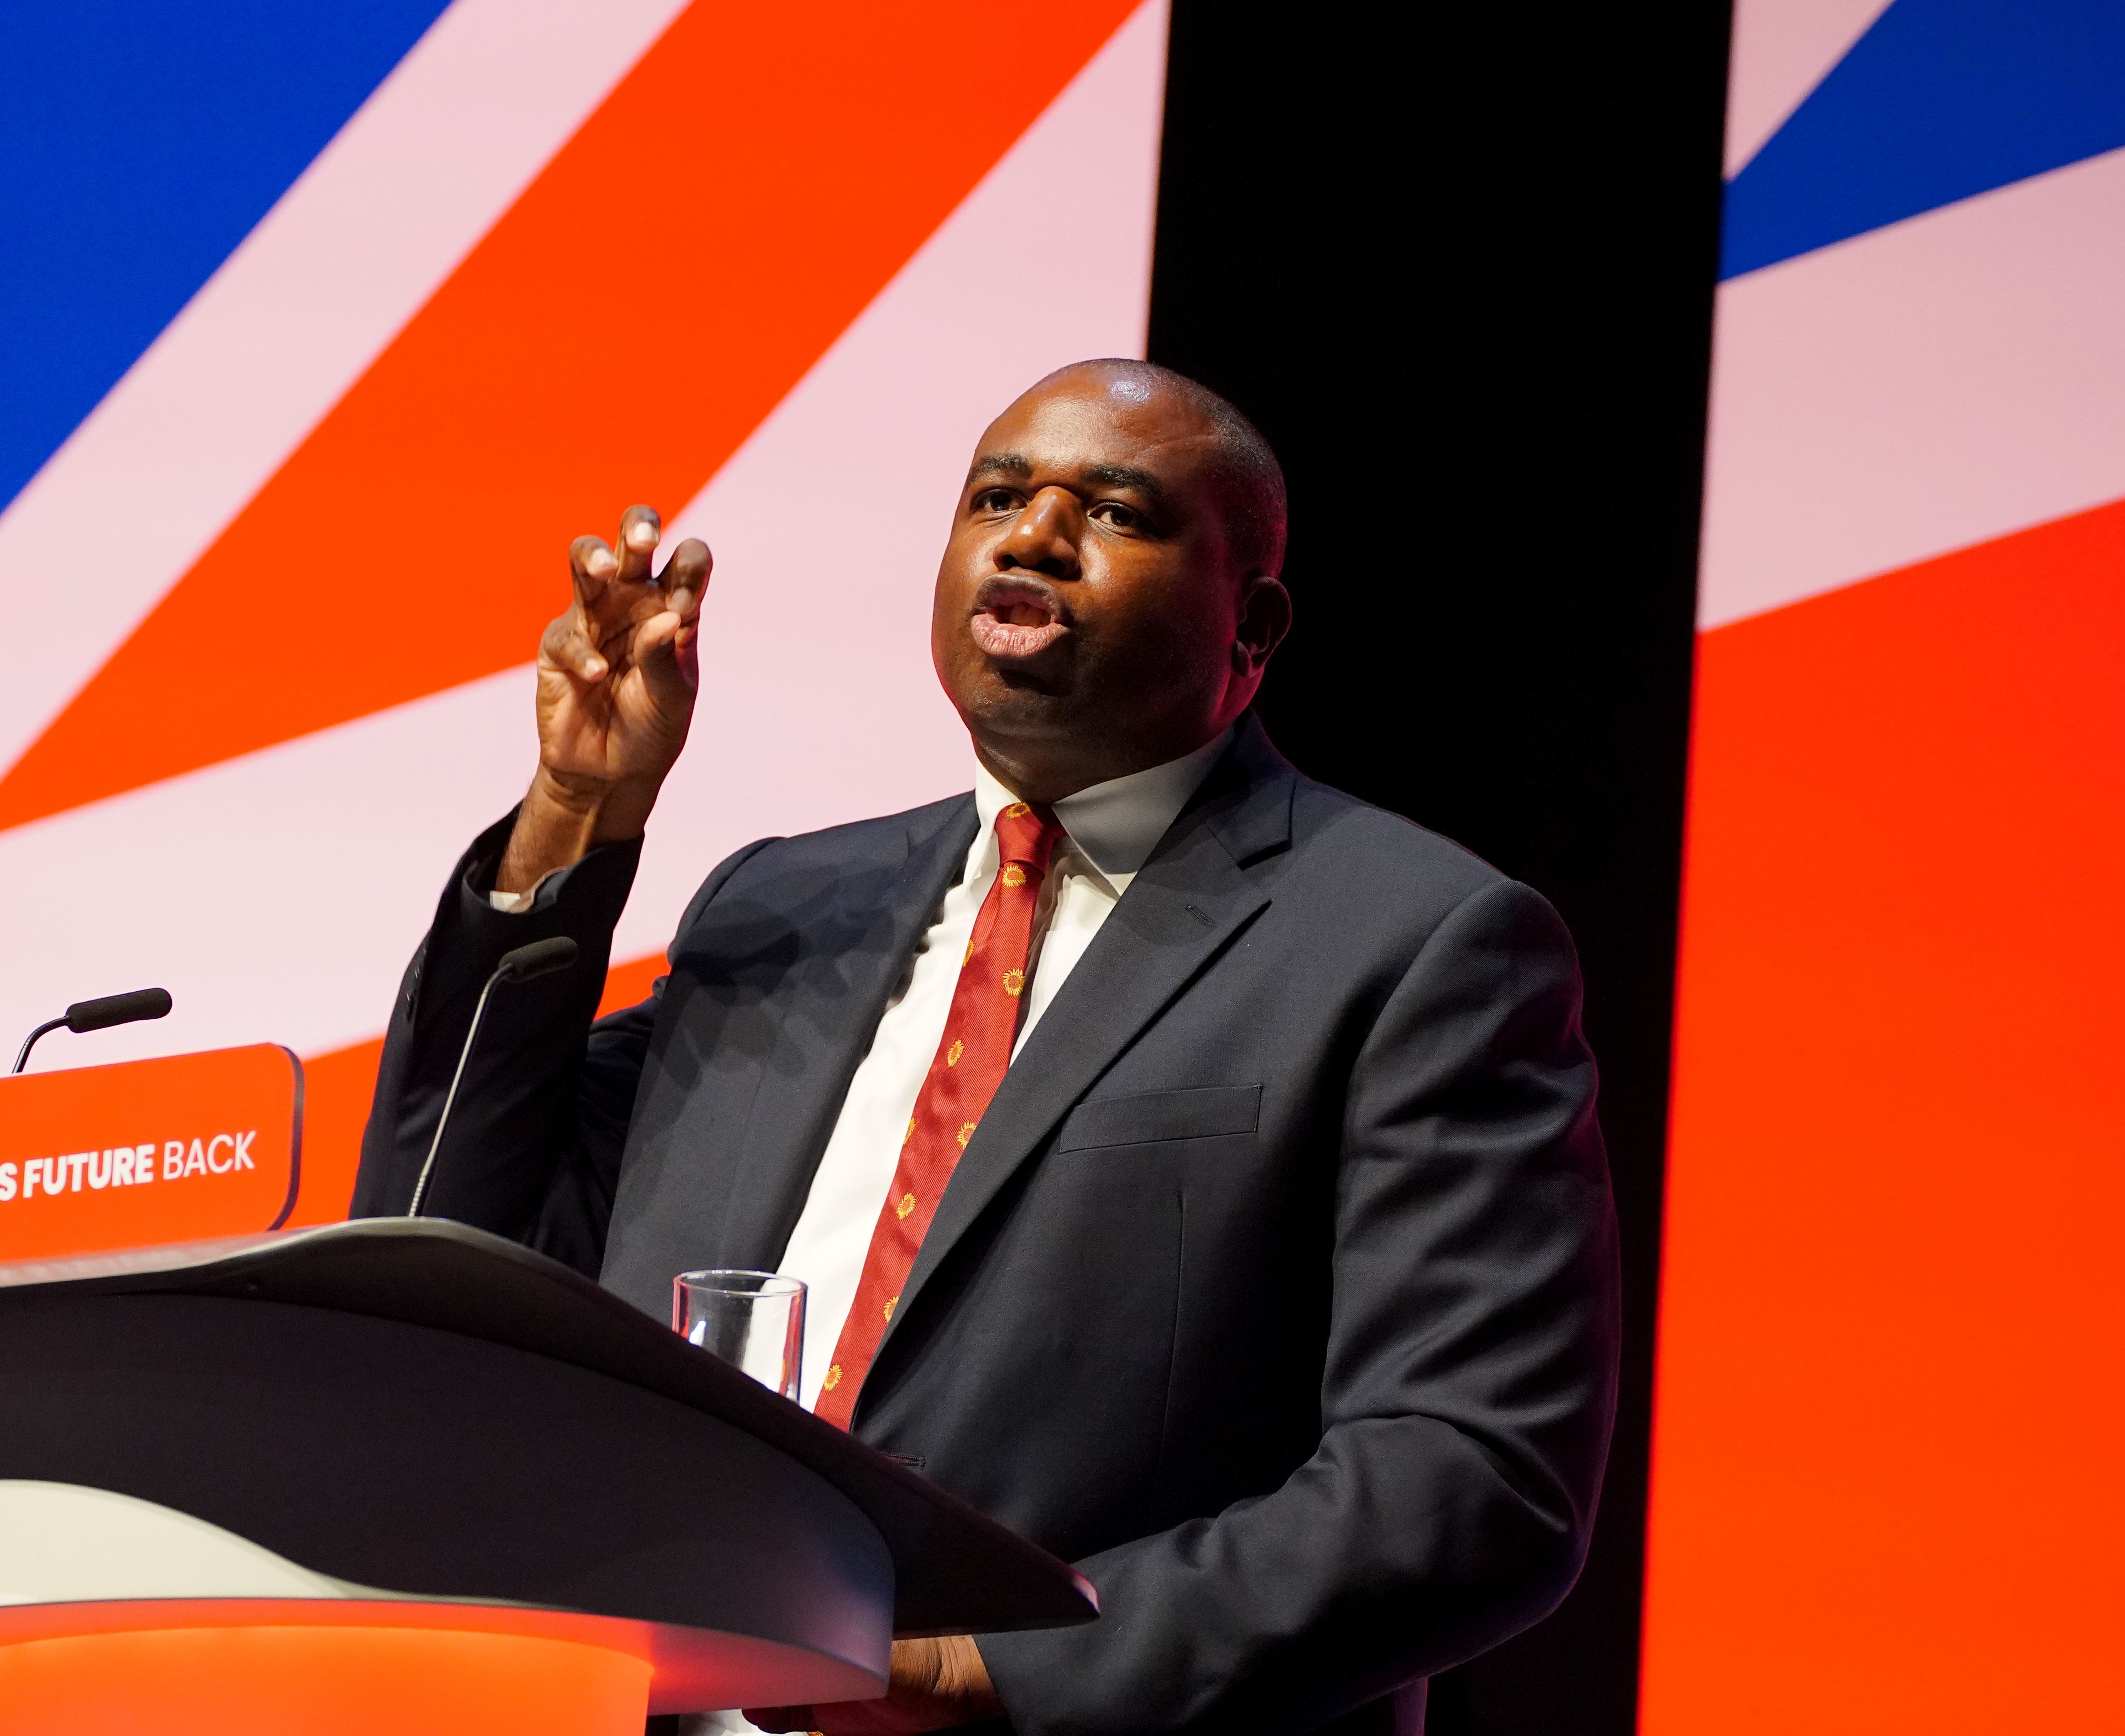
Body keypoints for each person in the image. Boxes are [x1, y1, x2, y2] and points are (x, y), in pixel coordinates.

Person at [350, 360, 1620, 1736]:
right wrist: (575, 816)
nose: (1032, 535)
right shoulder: (778, 910)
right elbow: (443, 1250)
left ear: (1251, 627)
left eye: (1117, 512)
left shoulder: (1410, 945)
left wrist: (987, 1669)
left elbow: (1475, 1478)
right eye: (998, 496)